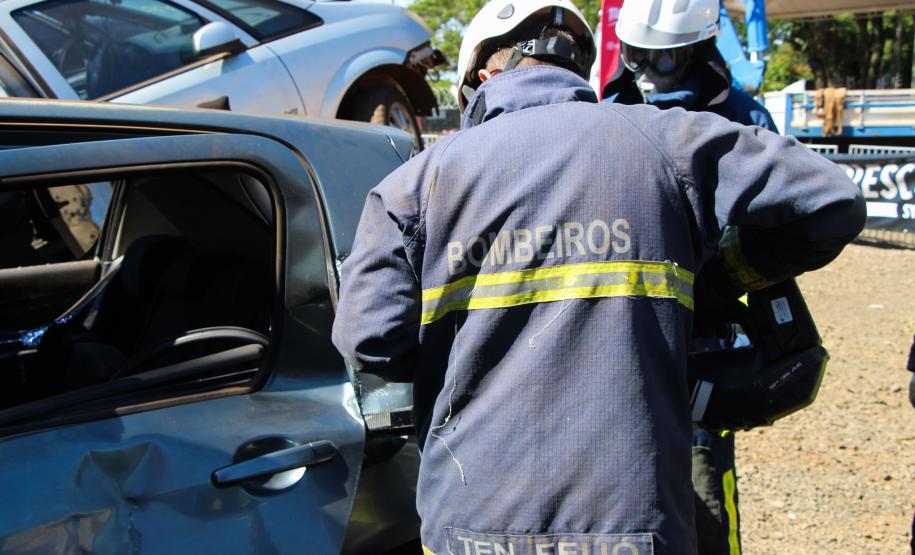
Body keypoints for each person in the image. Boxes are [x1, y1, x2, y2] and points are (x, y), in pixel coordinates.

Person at [331, 0, 865, 553]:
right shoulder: (670, 141)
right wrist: (720, 278)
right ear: (575, 70)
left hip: (471, 526)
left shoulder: (413, 185)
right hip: (636, 525)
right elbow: (832, 200)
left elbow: (369, 340)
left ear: (483, 77)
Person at [606, 2, 779, 553]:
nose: (652, 72)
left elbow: (783, 229)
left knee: (704, 503)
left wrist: (720, 282)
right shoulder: (606, 113)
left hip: (704, 349)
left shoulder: (745, 123)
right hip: (620, 343)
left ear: (701, 50)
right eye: (640, 55)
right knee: (619, 498)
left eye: (668, 58)